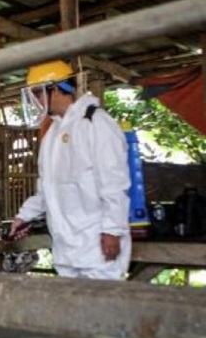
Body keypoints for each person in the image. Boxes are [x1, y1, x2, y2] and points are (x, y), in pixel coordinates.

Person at [10, 60, 132, 280]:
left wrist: (113, 231)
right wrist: (23, 217)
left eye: (38, 93)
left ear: (55, 89)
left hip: (97, 245)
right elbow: (46, 188)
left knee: (102, 309)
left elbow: (114, 182)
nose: (36, 100)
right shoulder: (52, 134)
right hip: (65, 247)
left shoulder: (96, 123)